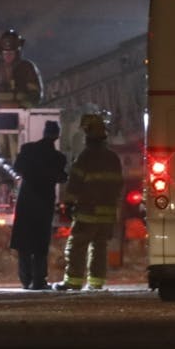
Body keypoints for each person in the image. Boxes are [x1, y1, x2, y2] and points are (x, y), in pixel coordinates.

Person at [54, 113, 124, 292]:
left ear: (87, 135)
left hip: (87, 212)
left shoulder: (86, 157)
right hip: (107, 214)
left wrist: (68, 204)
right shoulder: (113, 158)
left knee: (77, 246)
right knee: (99, 248)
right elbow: (119, 186)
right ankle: (96, 283)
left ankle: (73, 282)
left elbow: (75, 184)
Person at [11, 119, 69, 289]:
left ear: (44, 133)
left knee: (24, 244)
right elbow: (61, 177)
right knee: (40, 244)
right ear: (57, 136)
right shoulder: (58, 158)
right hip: (44, 203)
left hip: (26, 202)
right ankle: (38, 280)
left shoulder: (28, 149)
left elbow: (17, 168)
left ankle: (26, 279)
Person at [0, 29, 42, 109]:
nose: (8, 56)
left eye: (11, 53)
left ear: (17, 53)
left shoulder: (27, 67)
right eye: (5, 53)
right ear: (1, 53)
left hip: (21, 110)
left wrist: (25, 105)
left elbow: (35, 92)